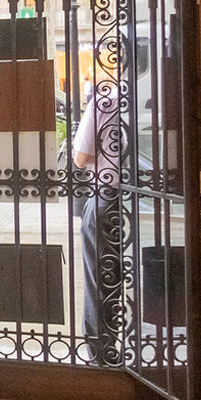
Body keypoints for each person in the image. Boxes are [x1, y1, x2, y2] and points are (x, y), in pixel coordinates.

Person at [71, 63, 130, 365]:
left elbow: (81, 158)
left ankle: (102, 353)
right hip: (140, 200)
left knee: (100, 278)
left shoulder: (105, 100)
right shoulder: (149, 98)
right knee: (127, 274)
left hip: (106, 197)